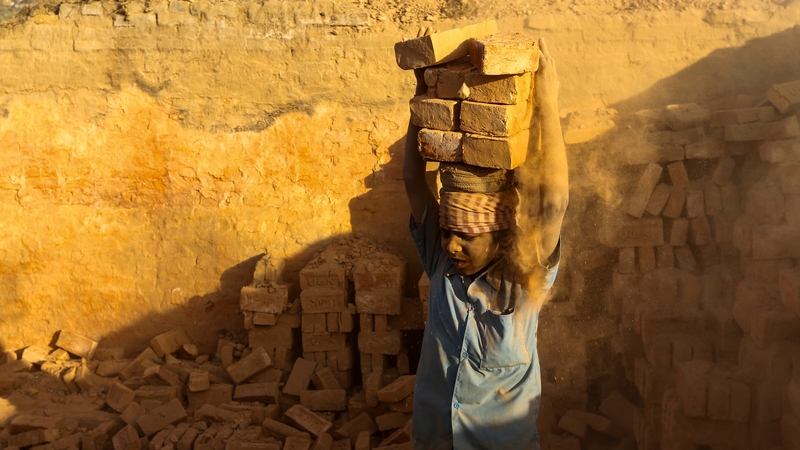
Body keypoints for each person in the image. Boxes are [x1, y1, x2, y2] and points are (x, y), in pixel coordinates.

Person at [402, 37, 569, 450]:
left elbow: (554, 203)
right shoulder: (439, 263)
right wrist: (425, 104)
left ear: (498, 234)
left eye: (466, 236)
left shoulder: (526, 277)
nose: (452, 246)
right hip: (435, 440)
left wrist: (548, 102)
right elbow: (412, 179)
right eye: (446, 232)